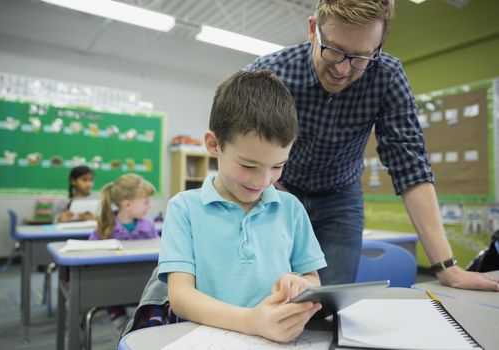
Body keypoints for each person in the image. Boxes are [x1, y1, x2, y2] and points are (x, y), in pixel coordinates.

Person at [246, 0, 499, 291]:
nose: (343, 69)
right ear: (314, 29)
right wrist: (266, 184)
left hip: (340, 198)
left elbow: (410, 165)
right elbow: (237, 144)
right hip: (278, 189)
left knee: (327, 300)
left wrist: (447, 268)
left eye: (361, 57)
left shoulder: (387, 76)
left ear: (379, 44)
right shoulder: (270, 73)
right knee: (265, 289)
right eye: (335, 51)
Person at [158, 70, 327, 342]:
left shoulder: (291, 208)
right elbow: (180, 298)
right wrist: (252, 322)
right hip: (205, 340)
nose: (263, 180)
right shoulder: (184, 208)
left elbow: (313, 279)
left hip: (276, 340)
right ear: (214, 145)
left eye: (278, 166)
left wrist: (302, 285)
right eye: (249, 165)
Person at [89, 173, 158, 330]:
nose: (150, 206)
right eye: (146, 202)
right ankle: (118, 314)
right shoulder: (105, 226)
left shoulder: (148, 225)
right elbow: (90, 255)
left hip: (143, 281)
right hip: (113, 282)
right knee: (108, 285)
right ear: (127, 205)